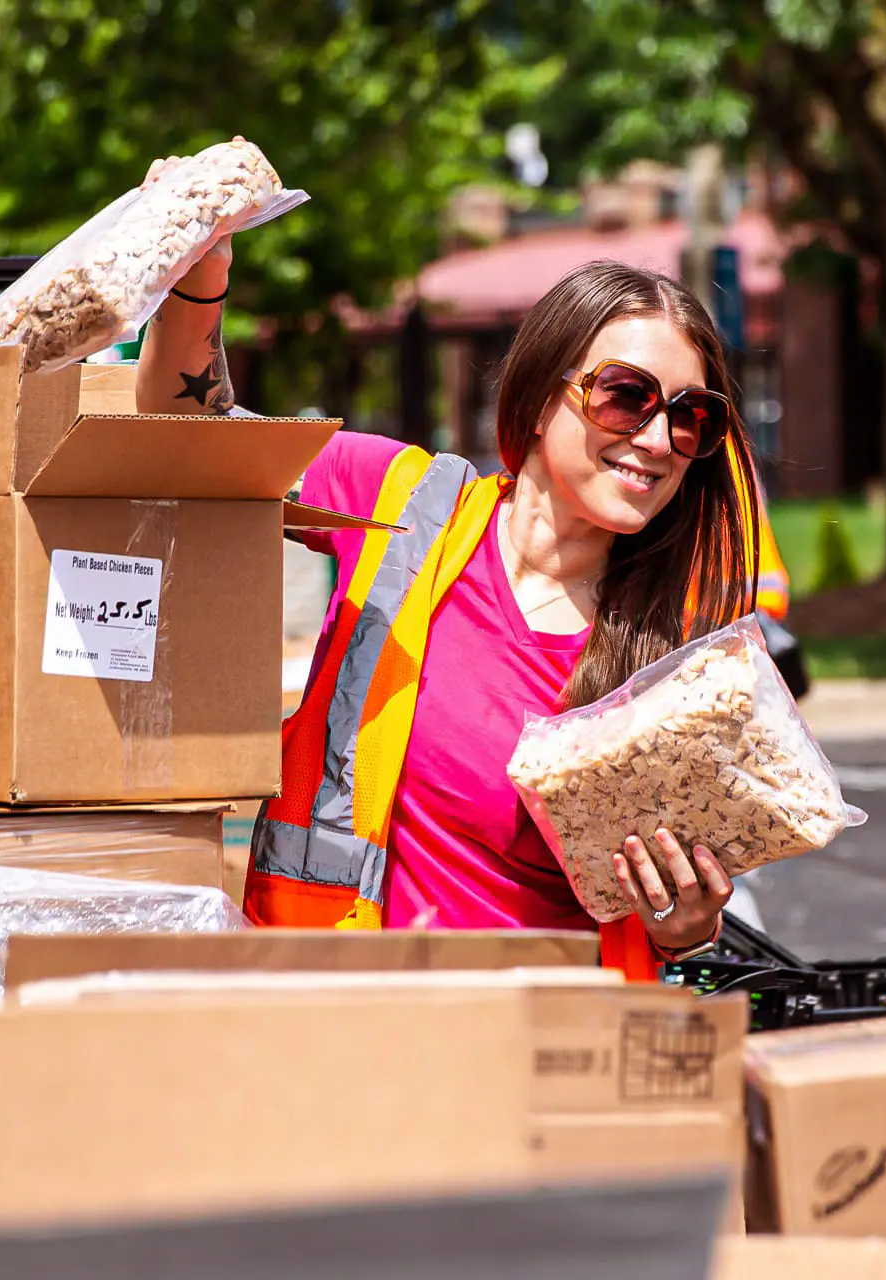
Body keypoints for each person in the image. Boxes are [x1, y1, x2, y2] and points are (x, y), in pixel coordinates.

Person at [137, 234, 768, 977]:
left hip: (531, 1057)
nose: (659, 438)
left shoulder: (674, 662)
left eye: (692, 416)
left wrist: (683, 931)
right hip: (333, 1021)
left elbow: (657, 919)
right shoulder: (400, 500)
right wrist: (200, 281)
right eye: (626, 397)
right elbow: (192, 434)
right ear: (540, 400)